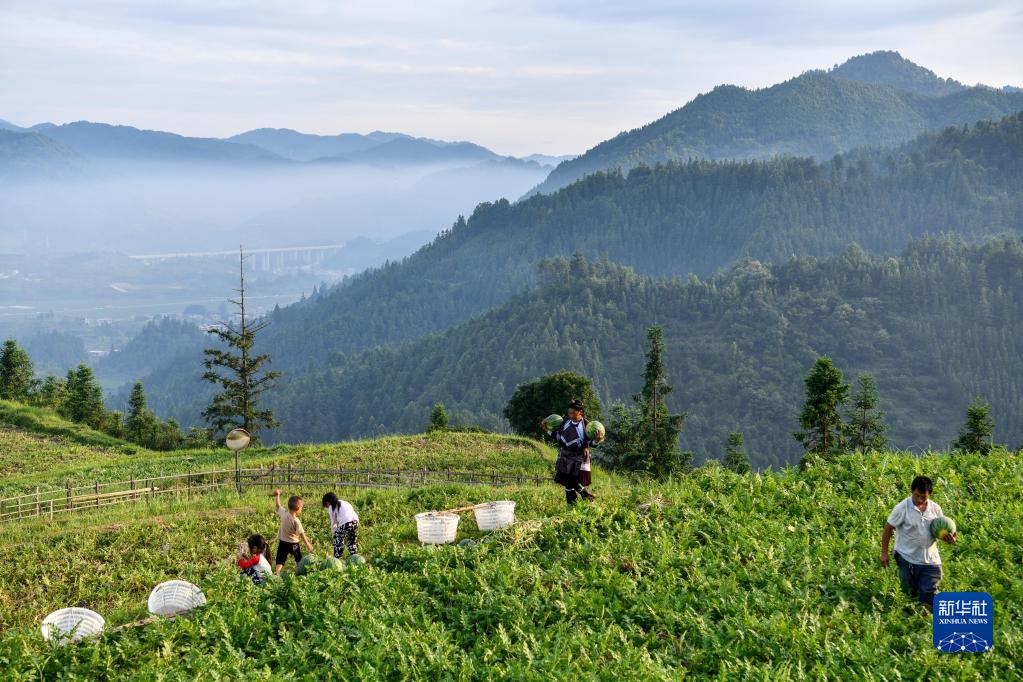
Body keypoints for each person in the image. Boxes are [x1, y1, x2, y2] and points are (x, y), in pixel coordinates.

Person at [880, 475, 957, 611]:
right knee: (909, 591)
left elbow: (941, 530)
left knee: (929, 590)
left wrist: (950, 539)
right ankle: (911, 613)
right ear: (912, 491)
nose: (920, 500)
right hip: (906, 557)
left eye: (924, 497)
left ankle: (928, 611)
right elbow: (888, 528)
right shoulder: (902, 508)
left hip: (930, 559)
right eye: (917, 496)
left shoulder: (935, 509)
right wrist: (884, 553)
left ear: (929, 495)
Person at [547, 398, 599, 506]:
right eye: (569, 412)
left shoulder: (587, 426)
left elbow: (591, 443)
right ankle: (575, 504)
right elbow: (558, 437)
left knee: (573, 481)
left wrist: (597, 440)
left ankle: (584, 497)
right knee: (568, 484)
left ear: (580, 412)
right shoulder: (565, 422)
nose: (570, 415)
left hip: (579, 457)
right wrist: (546, 428)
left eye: (573, 413)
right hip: (565, 456)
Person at [273, 489, 314, 575]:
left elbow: (278, 505)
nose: (301, 510)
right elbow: (301, 533)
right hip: (293, 544)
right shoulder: (296, 521)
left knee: (280, 558)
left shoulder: (284, 513)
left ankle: (277, 572)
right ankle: (299, 572)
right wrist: (307, 544)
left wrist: (277, 495)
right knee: (298, 558)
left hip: (283, 542)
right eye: (301, 508)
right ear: (298, 508)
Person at [322, 492, 360, 558]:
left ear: (327, 502)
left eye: (326, 505)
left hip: (346, 524)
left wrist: (334, 535)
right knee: (351, 541)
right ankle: (355, 557)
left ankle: (337, 558)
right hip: (355, 522)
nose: (327, 507)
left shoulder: (331, 507)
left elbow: (333, 524)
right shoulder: (345, 502)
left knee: (338, 543)